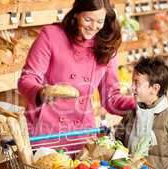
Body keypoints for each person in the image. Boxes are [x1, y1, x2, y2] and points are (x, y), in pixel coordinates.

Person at [18, 0, 135, 146]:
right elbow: (27, 79)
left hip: (82, 135)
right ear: (76, 15)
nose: (93, 27)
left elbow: (111, 98)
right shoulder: (51, 36)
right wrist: (41, 92)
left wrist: (140, 104)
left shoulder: (106, 46)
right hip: (46, 131)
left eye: (99, 21)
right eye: (87, 19)